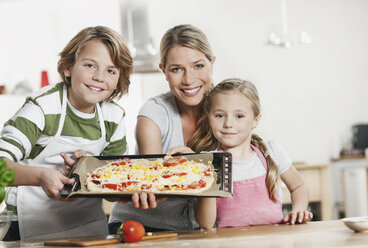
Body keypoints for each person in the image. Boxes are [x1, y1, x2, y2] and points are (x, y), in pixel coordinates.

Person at [0, 25, 133, 241]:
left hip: (88, 229)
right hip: (27, 229)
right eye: (90, 65)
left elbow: (114, 187)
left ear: (119, 78)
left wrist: (90, 170)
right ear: (68, 67)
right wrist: (41, 177)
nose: (99, 77)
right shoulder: (42, 107)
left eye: (111, 70)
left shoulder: (113, 118)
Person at [108, 24, 216, 233]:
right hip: (137, 227)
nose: (189, 79)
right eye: (176, 69)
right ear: (164, 71)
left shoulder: (226, 110)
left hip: (197, 229)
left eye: (198, 66)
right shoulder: (153, 113)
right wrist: (198, 168)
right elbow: (155, 182)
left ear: (212, 63)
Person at [185, 78, 313, 230]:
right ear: (209, 117)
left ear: (255, 120)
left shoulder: (270, 151)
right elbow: (205, 223)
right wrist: (210, 175)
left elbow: (299, 186)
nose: (228, 123)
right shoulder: (208, 161)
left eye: (239, 116)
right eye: (220, 115)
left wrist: (298, 210)